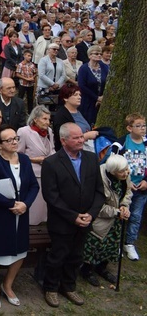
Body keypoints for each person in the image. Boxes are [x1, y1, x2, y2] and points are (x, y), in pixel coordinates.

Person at [41, 122, 105, 308]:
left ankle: (69, 286)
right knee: (58, 255)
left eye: (81, 136)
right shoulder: (52, 163)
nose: (81, 140)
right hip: (62, 222)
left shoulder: (92, 159)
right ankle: (51, 288)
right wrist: (72, 216)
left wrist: (91, 215)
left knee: (76, 256)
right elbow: (51, 196)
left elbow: (99, 191)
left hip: (86, 220)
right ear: (63, 140)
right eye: (76, 137)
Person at [0, 126, 39, 310]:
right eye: (9, 140)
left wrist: (25, 204)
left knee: (20, 249)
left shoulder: (24, 159)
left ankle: (7, 285)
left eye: (15, 138)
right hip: (0, 214)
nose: (15, 142)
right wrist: (11, 205)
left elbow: (33, 186)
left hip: (21, 213)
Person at [80, 154, 132, 287]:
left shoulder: (125, 174)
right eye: (122, 171)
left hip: (116, 219)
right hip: (101, 219)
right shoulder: (100, 179)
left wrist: (124, 206)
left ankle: (102, 268)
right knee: (94, 246)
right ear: (112, 171)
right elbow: (97, 206)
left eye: (126, 169)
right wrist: (116, 212)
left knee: (112, 245)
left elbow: (128, 193)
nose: (126, 173)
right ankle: (87, 271)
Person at [17, 105, 56, 225]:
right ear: (35, 119)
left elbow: (52, 149)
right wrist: (35, 159)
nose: (47, 122)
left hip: (47, 173)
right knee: (34, 207)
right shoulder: (23, 132)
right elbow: (18, 154)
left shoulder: (49, 132)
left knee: (45, 207)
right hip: (32, 174)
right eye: (44, 119)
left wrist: (51, 158)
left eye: (49, 119)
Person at [119, 113, 147, 261]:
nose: (143, 129)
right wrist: (125, 181)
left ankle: (129, 243)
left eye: (144, 125)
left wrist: (146, 182)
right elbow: (114, 163)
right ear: (129, 128)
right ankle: (116, 242)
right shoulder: (122, 143)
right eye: (138, 126)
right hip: (125, 186)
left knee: (136, 216)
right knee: (121, 214)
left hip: (141, 188)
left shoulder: (146, 143)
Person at [51, 84, 99, 152]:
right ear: (66, 98)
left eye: (80, 95)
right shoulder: (61, 116)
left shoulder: (79, 111)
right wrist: (86, 136)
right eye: (75, 95)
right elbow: (64, 140)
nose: (79, 97)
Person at [77, 45, 109, 125]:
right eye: (96, 54)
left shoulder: (104, 67)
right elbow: (82, 85)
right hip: (88, 101)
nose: (99, 55)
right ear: (90, 55)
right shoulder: (84, 68)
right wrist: (96, 98)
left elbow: (108, 82)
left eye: (100, 54)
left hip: (103, 101)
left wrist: (102, 97)